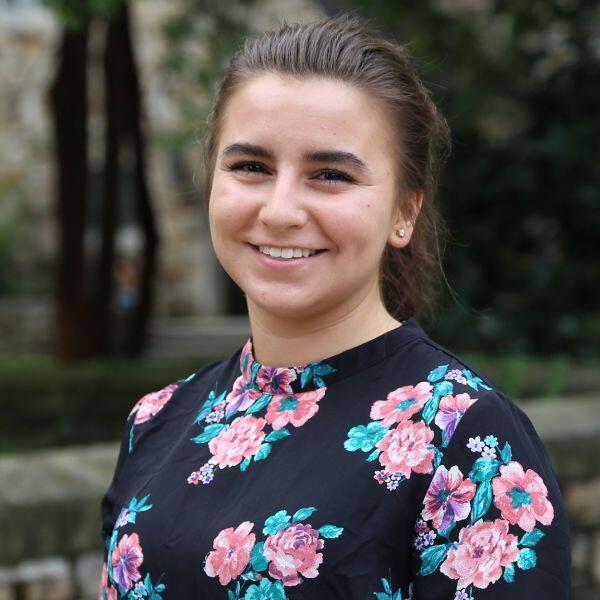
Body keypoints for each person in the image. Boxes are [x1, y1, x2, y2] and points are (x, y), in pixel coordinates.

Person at [98, 13, 571, 600]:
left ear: (404, 213)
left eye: (329, 175)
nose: (280, 210)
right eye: (251, 167)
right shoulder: (157, 421)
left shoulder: (465, 436)